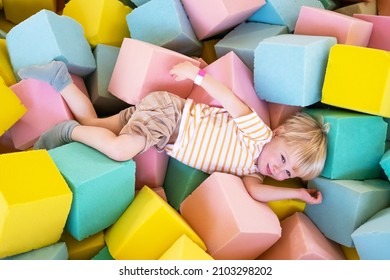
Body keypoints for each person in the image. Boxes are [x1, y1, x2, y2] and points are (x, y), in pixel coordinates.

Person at [18, 60, 328, 205]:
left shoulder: (252, 171)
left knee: (96, 127)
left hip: (162, 129)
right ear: (278, 133)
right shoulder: (259, 135)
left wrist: (296, 192)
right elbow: (232, 102)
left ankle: (61, 81)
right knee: (119, 150)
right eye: (284, 158)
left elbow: (256, 192)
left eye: (288, 172)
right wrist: (199, 75)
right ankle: (67, 132)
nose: (279, 169)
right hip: (171, 116)